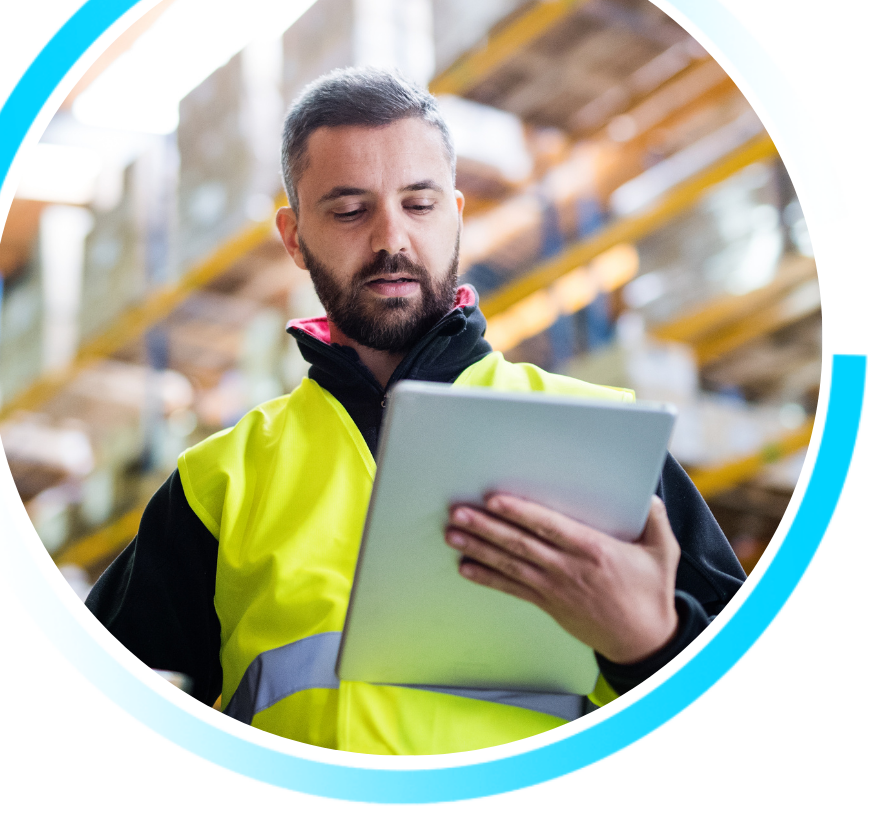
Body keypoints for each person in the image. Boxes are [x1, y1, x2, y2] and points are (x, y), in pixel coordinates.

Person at [86, 67, 745, 755]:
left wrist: (654, 642)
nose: (389, 240)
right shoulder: (219, 484)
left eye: (420, 204)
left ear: (457, 212)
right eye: (348, 210)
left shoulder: (603, 436)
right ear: (293, 236)